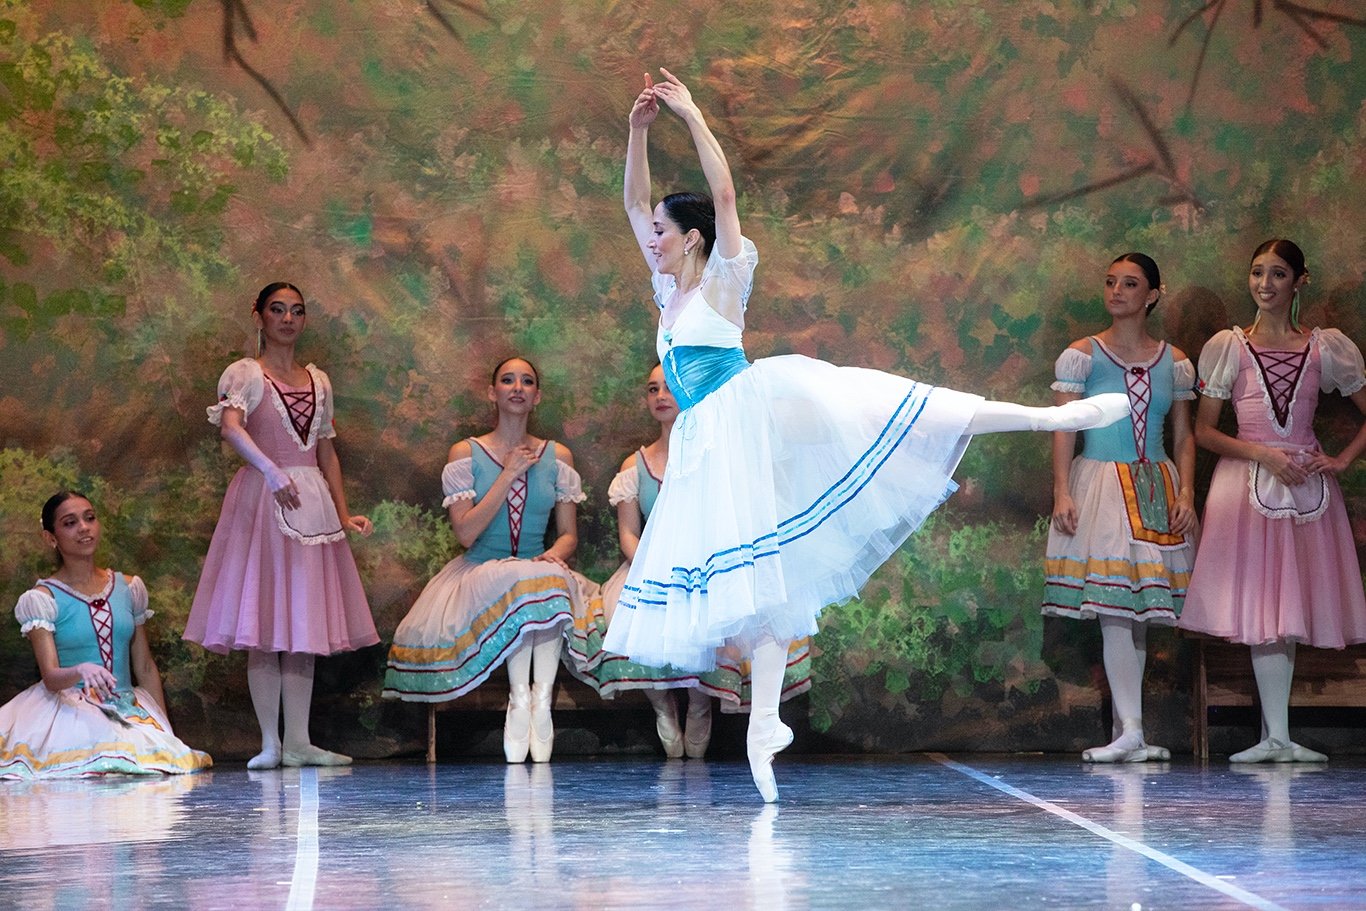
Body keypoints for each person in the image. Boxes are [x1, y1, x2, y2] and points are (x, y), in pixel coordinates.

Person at [604, 69, 1130, 801]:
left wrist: (691, 116)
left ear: (690, 238)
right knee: (759, 582)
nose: (650, 238)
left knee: (901, 408)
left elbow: (724, 197)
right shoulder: (670, 289)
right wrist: (636, 132)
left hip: (757, 413)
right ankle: (763, 724)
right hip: (711, 445)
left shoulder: (722, 279)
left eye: (662, 230)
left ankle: (1047, 417)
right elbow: (632, 202)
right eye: (653, 232)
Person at [1180, 239, 1366, 762]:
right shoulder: (1228, 346)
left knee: (1290, 604)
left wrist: (1342, 459)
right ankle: (1274, 736)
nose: (1265, 284)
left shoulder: (1326, 347)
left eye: (1278, 274)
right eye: (1258, 272)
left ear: (1299, 281)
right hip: (1246, 485)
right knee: (1262, 604)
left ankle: (1279, 736)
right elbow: (1205, 431)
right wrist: (1263, 453)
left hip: (1307, 487)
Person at [184, 282, 378, 770]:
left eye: (296, 311)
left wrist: (342, 508)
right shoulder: (247, 374)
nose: (287, 319)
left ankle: (299, 741)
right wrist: (271, 471)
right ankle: (270, 741)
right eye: (277, 310)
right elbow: (231, 427)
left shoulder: (319, 380)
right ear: (259, 316)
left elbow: (325, 449)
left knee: (304, 624)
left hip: (310, 506)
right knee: (265, 621)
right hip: (263, 502)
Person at [575, 364, 811, 758]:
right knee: (637, 616)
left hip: (702, 567)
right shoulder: (634, 467)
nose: (661, 396)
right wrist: (656, 567)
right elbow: (629, 535)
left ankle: (700, 705)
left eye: (670, 388)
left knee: (711, 617)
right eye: (653, 389)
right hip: (648, 569)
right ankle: (663, 706)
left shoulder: (712, 460)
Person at [383, 357, 598, 763]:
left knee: (543, 579)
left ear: (537, 396)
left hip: (537, 571)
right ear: (492, 392)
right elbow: (465, 533)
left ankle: (540, 701)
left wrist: (552, 555)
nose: (517, 387)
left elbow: (568, 534)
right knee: (527, 581)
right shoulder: (466, 452)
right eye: (507, 380)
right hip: (480, 573)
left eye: (527, 381)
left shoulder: (558, 456)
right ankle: (519, 699)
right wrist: (509, 472)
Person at [1042, 253, 1198, 762]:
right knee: (1113, 609)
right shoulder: (1083, 355)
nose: (1117, 291)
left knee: (1138, 613)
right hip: (1102, 485)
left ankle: (1131, 729)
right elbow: (1065, 427)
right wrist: (1062, 490)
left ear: (1152, 294)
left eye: (1130, 284)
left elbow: (1184, 435)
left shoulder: (1172, 362)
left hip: (1153, 484)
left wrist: (1186, 493)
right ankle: (1129, 730)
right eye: (1110, 281)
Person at [1, 492, 212, 778]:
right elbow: (51, 677)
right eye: (70, 523)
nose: (84, 528)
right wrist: (80, 670)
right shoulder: (43, 599)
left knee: (150, 771)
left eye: (89, 518)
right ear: (51, 538)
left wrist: (164, 732)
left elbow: (145, 667)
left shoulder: (128, 588)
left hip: (127, 707)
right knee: (97, 772)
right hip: (70, 712)